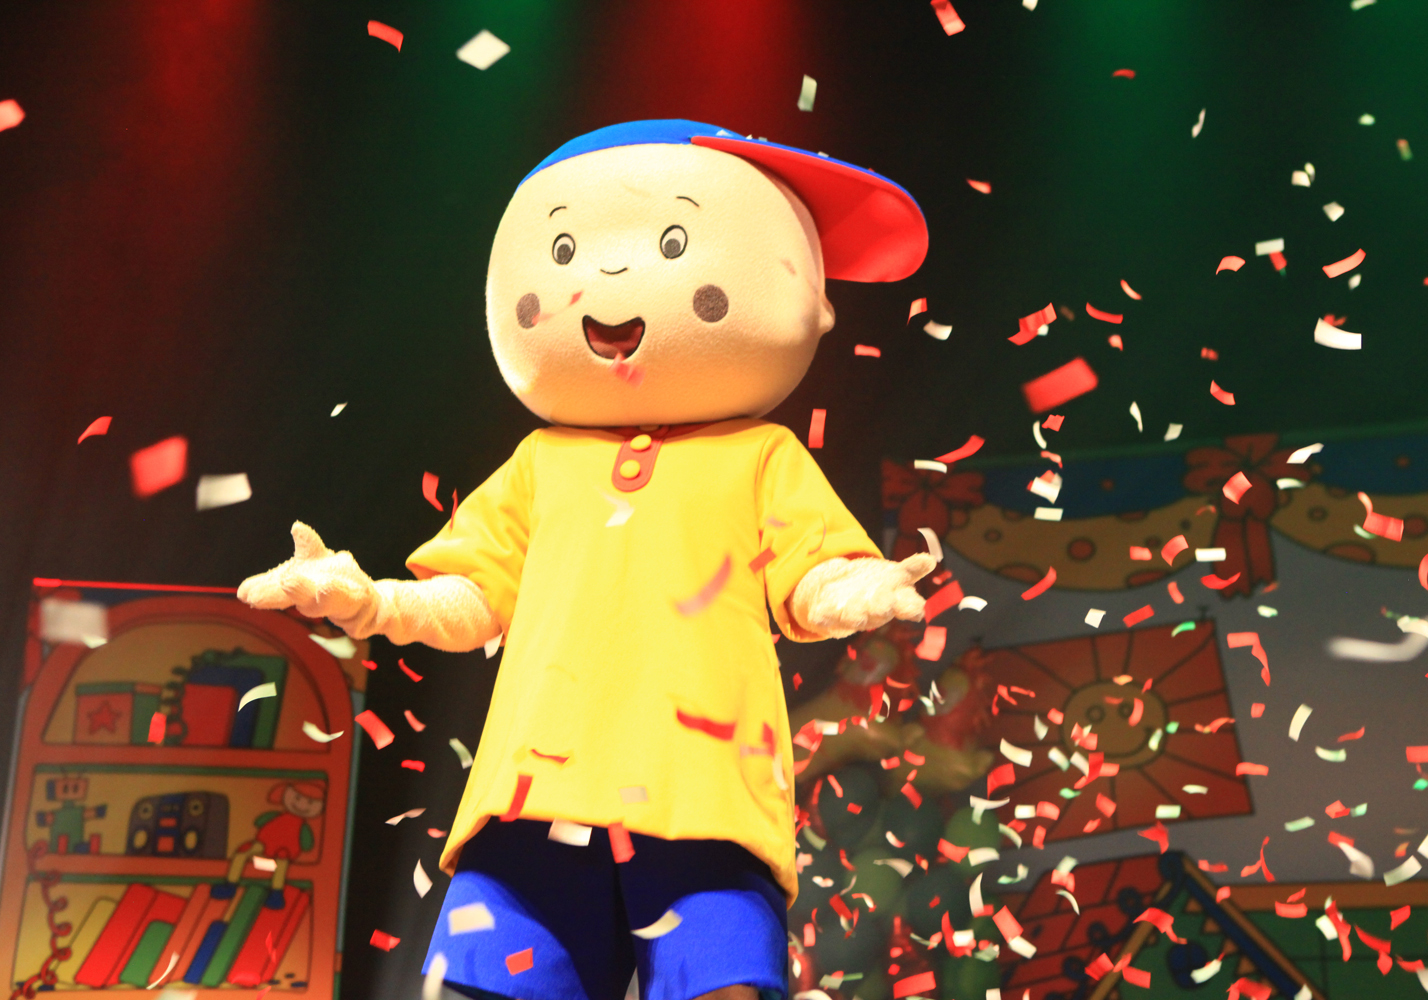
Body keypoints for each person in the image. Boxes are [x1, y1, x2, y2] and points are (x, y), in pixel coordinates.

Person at [238, 120, 931, 1000]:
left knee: (720, 985)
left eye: (672, 243)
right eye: (565, 250)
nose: (610, 275)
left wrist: (853, 586)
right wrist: (369, 601)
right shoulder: (542, 462)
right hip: (533, 799)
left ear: (815, 298)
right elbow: (471, 594)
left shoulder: (761, 455)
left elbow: (808, 573)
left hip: (703, 799)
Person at [213, 780, 324, 909]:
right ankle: (230, 885)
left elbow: (307, 845)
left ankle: (276, 893)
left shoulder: (303, 829)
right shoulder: (274, 816)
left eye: (310, 802)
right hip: (262, 850)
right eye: (297, 798)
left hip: (276, 861)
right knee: (242, 855)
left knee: (282, 863)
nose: (302, 805)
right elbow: (259, 822)